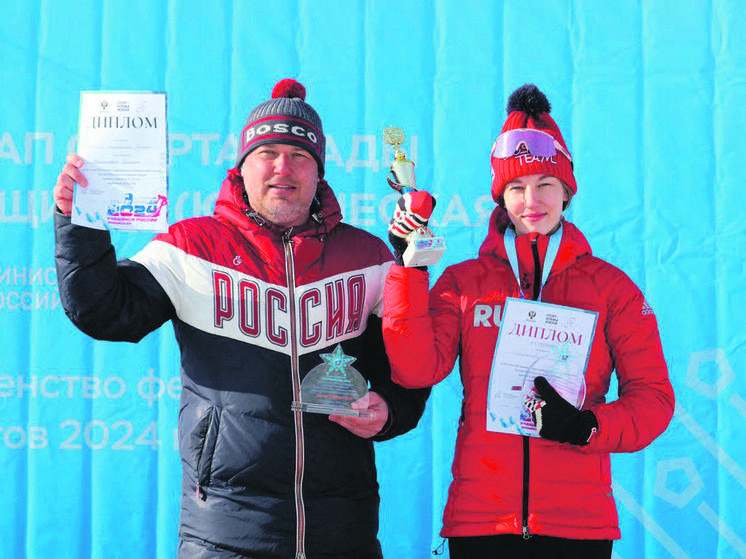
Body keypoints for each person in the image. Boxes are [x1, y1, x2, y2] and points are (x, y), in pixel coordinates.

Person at [53, 78, 430, 559]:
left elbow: (407, 361)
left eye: (299, 155)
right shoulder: (193, 246)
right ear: (242, 167)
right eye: (267, 152)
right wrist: (78, 220)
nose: (282, 167)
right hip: (225, 533)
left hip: (342, 529)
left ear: (319, 173)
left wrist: (392, 408)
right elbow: (103, 310)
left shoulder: (369, 257)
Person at [382, 84, 674, 558]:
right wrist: (408, 272)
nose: (530, 199)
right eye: (516, 187)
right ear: (501, 197)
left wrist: (587, 427)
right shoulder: (464, 282)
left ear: (567, 192)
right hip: (481, 520)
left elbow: (654, 399)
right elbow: (416, 369)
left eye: (545, 184)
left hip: (577, 525)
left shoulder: (611, 289)